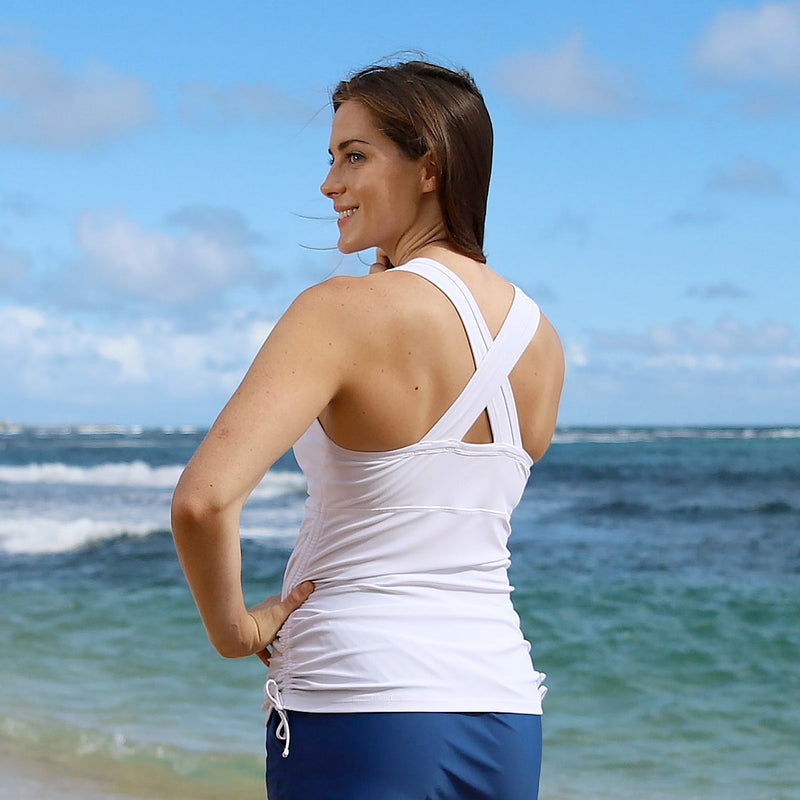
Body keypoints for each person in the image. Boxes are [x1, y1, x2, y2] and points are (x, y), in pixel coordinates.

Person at [171, 58, 564, 800]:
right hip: (504, 709)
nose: (329, 185)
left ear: (429, 167)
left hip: (359, 701)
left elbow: (203, 501)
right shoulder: (540, 340)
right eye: (331, 158)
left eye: (355, 156)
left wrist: (236, 632)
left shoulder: (341, 311)